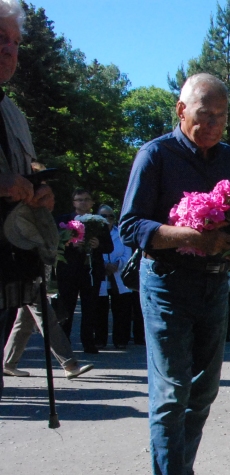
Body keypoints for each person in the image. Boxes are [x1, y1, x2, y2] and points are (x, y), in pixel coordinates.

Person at [120, 73, 230, 475]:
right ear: (181, 110)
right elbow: (131, 226)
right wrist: (190, 236)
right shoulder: (155, 155)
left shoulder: (229, 158)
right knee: (172, 391)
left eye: (221, 117)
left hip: (214, 283)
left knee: (202, 391)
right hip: (166, 284)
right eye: (204, 114)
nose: (213, 125)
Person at [0, 0, 60, 397]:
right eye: (0, 38)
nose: (10, 50)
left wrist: (41, 191)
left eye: (16, 42)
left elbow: (30, 169)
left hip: (8, 266)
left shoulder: (15, 115)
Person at [54, 188, 112, 353]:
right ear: (73, 203)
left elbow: (109, 246)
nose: (83, 203)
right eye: (79, 200)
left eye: (86, 199)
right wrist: (69, 243)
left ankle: (88, 342)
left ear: (92, 203)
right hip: (69, 271)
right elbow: (55, 243)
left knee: (90, 308)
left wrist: (98, 245)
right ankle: (63, 344)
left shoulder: (100, 222)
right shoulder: (63, 221)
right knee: (67, 308)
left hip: (91, 272)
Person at [95, 205, 133, 349]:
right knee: (100, 310)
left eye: (110, 216)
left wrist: (118, 264)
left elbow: (128, 253)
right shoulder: (94, 234)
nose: (107, 219)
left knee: (122, 310)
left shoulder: (121, 233)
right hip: (102, 274)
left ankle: (121, 339)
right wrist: (104, 265)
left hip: (119, 274)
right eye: (103, 216)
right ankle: (100, 339)